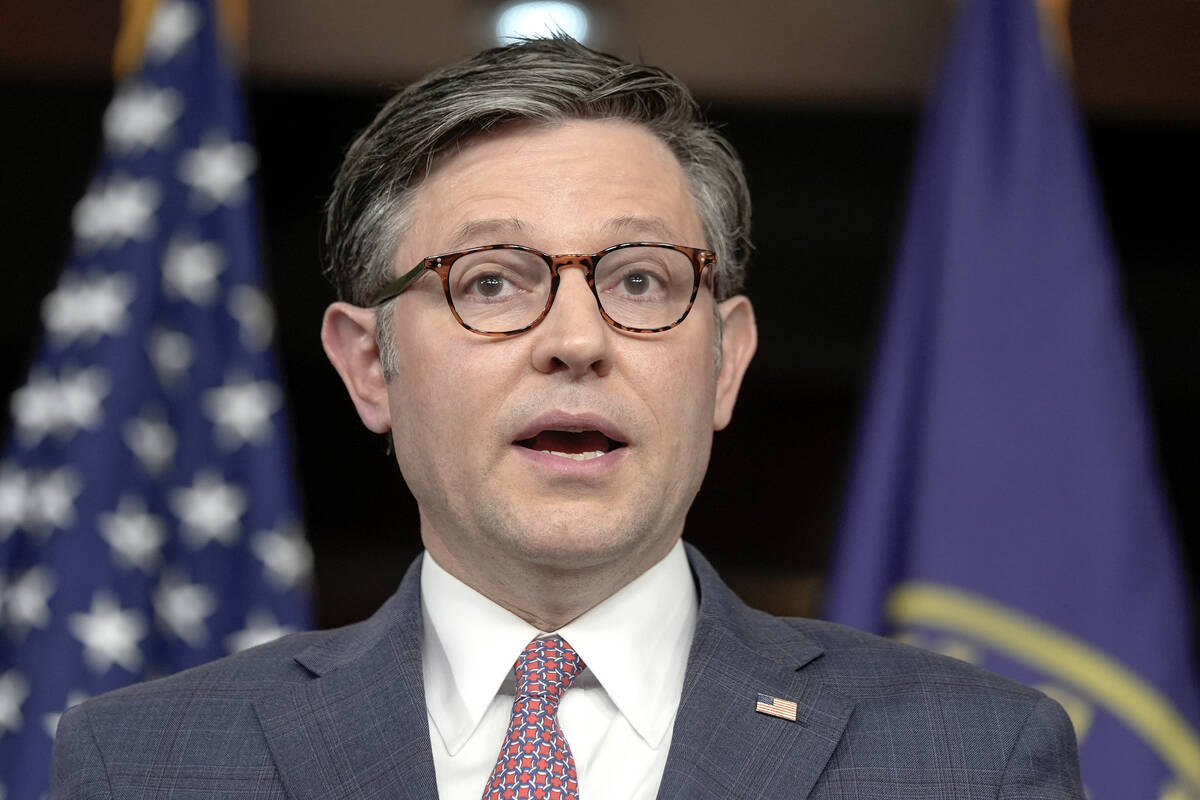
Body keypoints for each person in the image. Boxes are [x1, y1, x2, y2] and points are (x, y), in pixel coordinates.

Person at [51, 37, 1083, 798]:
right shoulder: (147, 761)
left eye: (639, 280)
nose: (577, 338)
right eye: (493, 283)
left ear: (724, 362)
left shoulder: (971, 757)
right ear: (371, 364)